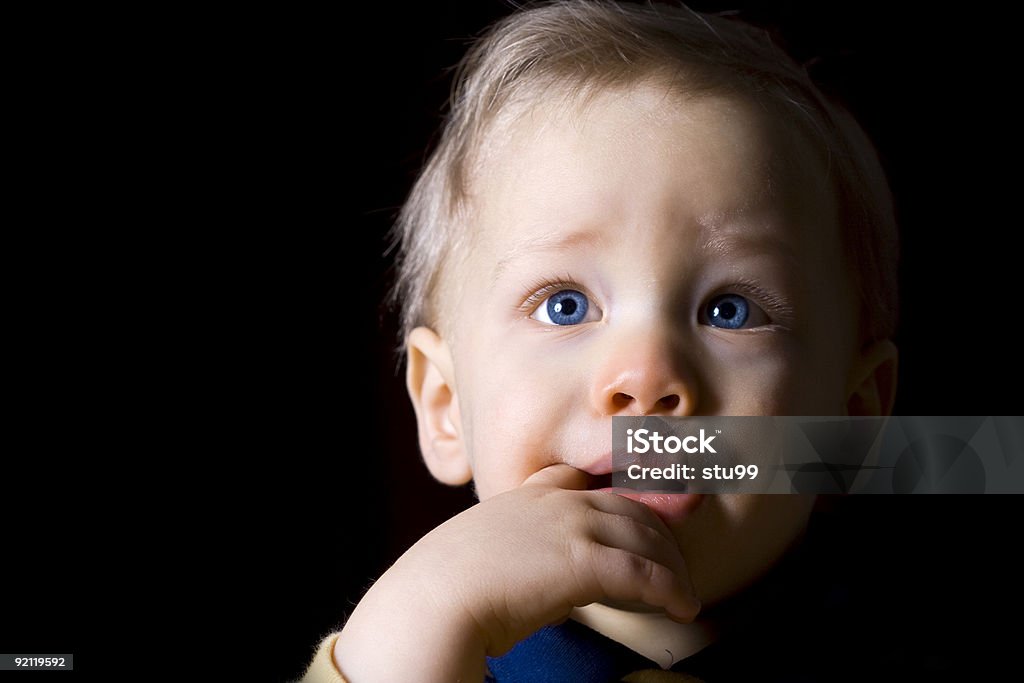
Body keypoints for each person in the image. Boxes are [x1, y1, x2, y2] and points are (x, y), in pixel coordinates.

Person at [303, 1, 899, 680]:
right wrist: (412, 631)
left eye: (730, 310)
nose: (645, 376)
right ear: (444, 405)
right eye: (565, 305)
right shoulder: (429, 649)